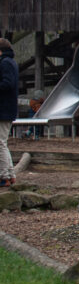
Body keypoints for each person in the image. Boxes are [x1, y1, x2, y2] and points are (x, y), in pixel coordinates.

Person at [0, 37, 19, 187]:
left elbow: (7, 83)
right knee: (2, 143)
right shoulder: (10, 62)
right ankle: (10, 174)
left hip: (3, 109)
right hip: (6, 109)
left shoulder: (5, 63)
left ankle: (4, 176)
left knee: (0, 144)